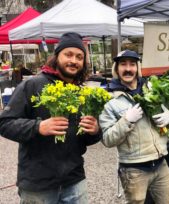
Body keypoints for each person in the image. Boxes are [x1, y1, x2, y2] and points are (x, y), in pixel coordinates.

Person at [0, 32, 102, 204]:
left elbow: (85, 139)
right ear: (56, 57)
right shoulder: (32, 85)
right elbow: (4, 123)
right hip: (38, 185)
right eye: (68, 54)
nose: (74, 61)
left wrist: (95, 131)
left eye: (79, 57)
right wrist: (38, 127)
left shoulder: (81, 92)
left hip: (75, 180)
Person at [99, 50, 169, 204]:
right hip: (133, 170)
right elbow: (107, 139)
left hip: (161, 164)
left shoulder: (152, 89)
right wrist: (126, 121)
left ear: (138, 67)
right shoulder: (109, 99)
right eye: (123, 64)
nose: (128, 69)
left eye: (132, 64)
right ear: (116, 68)